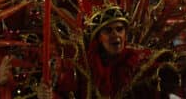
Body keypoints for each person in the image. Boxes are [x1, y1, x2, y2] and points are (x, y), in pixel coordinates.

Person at [40, 5, 177, 99]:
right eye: (108, 30)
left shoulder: (142, 61)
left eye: (119, 29)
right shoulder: (83, 65)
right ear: (98, 38)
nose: (115, 35)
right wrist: (48, 96)